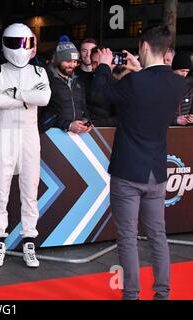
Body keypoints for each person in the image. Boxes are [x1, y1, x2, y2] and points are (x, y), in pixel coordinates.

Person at [92, 25, 187, 300]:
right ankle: (163, 292)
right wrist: (140, 70)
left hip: (127, 171)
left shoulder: (134, 83)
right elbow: (153, 86)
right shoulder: (178, 83)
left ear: (143, 46)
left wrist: (104, 66)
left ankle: (132, 294)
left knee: (128, 237)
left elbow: (100, 93)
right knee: (158, 234)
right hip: (156, 171)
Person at [0, 23, 51, 268]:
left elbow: (44, 98)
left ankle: (29, 241)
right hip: (4, 135)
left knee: (30, 191)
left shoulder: (39, 73)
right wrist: (26, 96)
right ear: (5, 44)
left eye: (25, 43)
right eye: (15, 43)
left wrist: (12, 94)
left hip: (29, 136)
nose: (20, 49)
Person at [42, 35, 92, 134]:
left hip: (78, 136)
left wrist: (86, 121)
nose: (72, 65)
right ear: (58, 60)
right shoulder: (47, 80)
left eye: (75, 62)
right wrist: (68, 125)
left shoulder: (78, 82)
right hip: (52, 136)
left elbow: (83, 107)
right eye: (68, 61)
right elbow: (45, 112)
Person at [88, 46, 117, 127]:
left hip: (106, 133)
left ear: (112, 63)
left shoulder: (118, 85)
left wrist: (95, 124)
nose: (99, 66)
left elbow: (120, 117)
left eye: (102, 63)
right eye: (94, 62)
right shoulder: (81, 82)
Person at [170, 51, 193, 126]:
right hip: (165, 131)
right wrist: (176, 121)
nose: (184, 74)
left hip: (185, 132)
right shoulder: (164, 87)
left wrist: (191, 117)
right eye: (182, 70)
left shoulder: (189, 89)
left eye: (187, 71)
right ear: (173, 69)